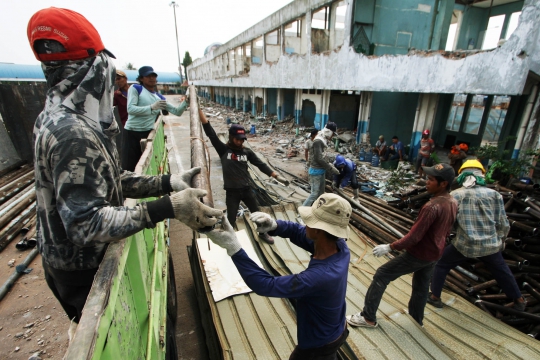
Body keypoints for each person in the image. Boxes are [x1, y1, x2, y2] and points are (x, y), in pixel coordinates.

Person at [27, 7, 222, 340]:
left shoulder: (62, 114)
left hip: (71, 263)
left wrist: (166, 183)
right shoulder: (72, 132)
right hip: (83, 271)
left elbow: (109, 178)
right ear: (90, 70)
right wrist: (167, 207)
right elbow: (86, 225)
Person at [207, 193, 351, 359]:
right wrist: (275, 226)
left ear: (319, 230)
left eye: (309, 221)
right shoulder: (339, 247)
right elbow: (299, 232)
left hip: (318, 347)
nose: (305, 224)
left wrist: (234, 248)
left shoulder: (318, 278)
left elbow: (265, 284)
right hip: (338, 329)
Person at [347, 163, 457, 327]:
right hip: (435, 254)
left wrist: (390, 247)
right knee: (421, 286)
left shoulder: (432, 207)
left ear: (443, 184)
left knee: (382, 274)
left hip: (419, 254)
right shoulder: (452, 202)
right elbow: (447, 230)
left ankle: (368, 317)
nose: (426, 182)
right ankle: (416, 320)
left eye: (431, 180)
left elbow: (413, 238)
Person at [428, 160, 526, 310]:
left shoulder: (455, 196)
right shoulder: (495, 195)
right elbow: (503, 223)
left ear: (461, 175)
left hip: (465, 244)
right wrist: (501, 240)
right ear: (482, 175)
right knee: (502, 270)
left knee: (441, 264)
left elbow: (450, 223)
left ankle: (435, 297)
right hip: (490, 244)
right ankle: (519, 301)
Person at [198, 109, 289, 244]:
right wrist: (199, 111)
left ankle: (263, 233)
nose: (240, 142)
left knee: (258, 214)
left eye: (242, 140)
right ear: (231, 137)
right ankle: (230, 239)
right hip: (232, 192)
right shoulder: (224, 150)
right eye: (237, 139)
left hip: (246, 190)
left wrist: (275, 175)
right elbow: (211, 133)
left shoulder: (247, 152)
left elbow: (260, 164)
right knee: (231, 218)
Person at [122, 66, 188, 171]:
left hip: (147, 133)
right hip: (132, 132)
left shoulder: (159, 97)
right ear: (141, 78)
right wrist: (152, 107)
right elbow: (130, 109)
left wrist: (186, 101)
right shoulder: (136, 88)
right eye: (148, 76)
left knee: (147, 165)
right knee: (130, 166)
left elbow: (177, 111)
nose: (152, 78)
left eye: (153, 76)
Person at [303, 122, 340, 207]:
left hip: (321, 170)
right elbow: (318, 158)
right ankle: (301, 211)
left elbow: (323, 156)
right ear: (329, 132)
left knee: (320, 193)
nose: (332, 136)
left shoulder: (323, 139)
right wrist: (330, 168)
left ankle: (316, 209)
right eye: (333, 134)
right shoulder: (318, 141)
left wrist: (329, 164)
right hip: (316, 171)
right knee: (314, 194)